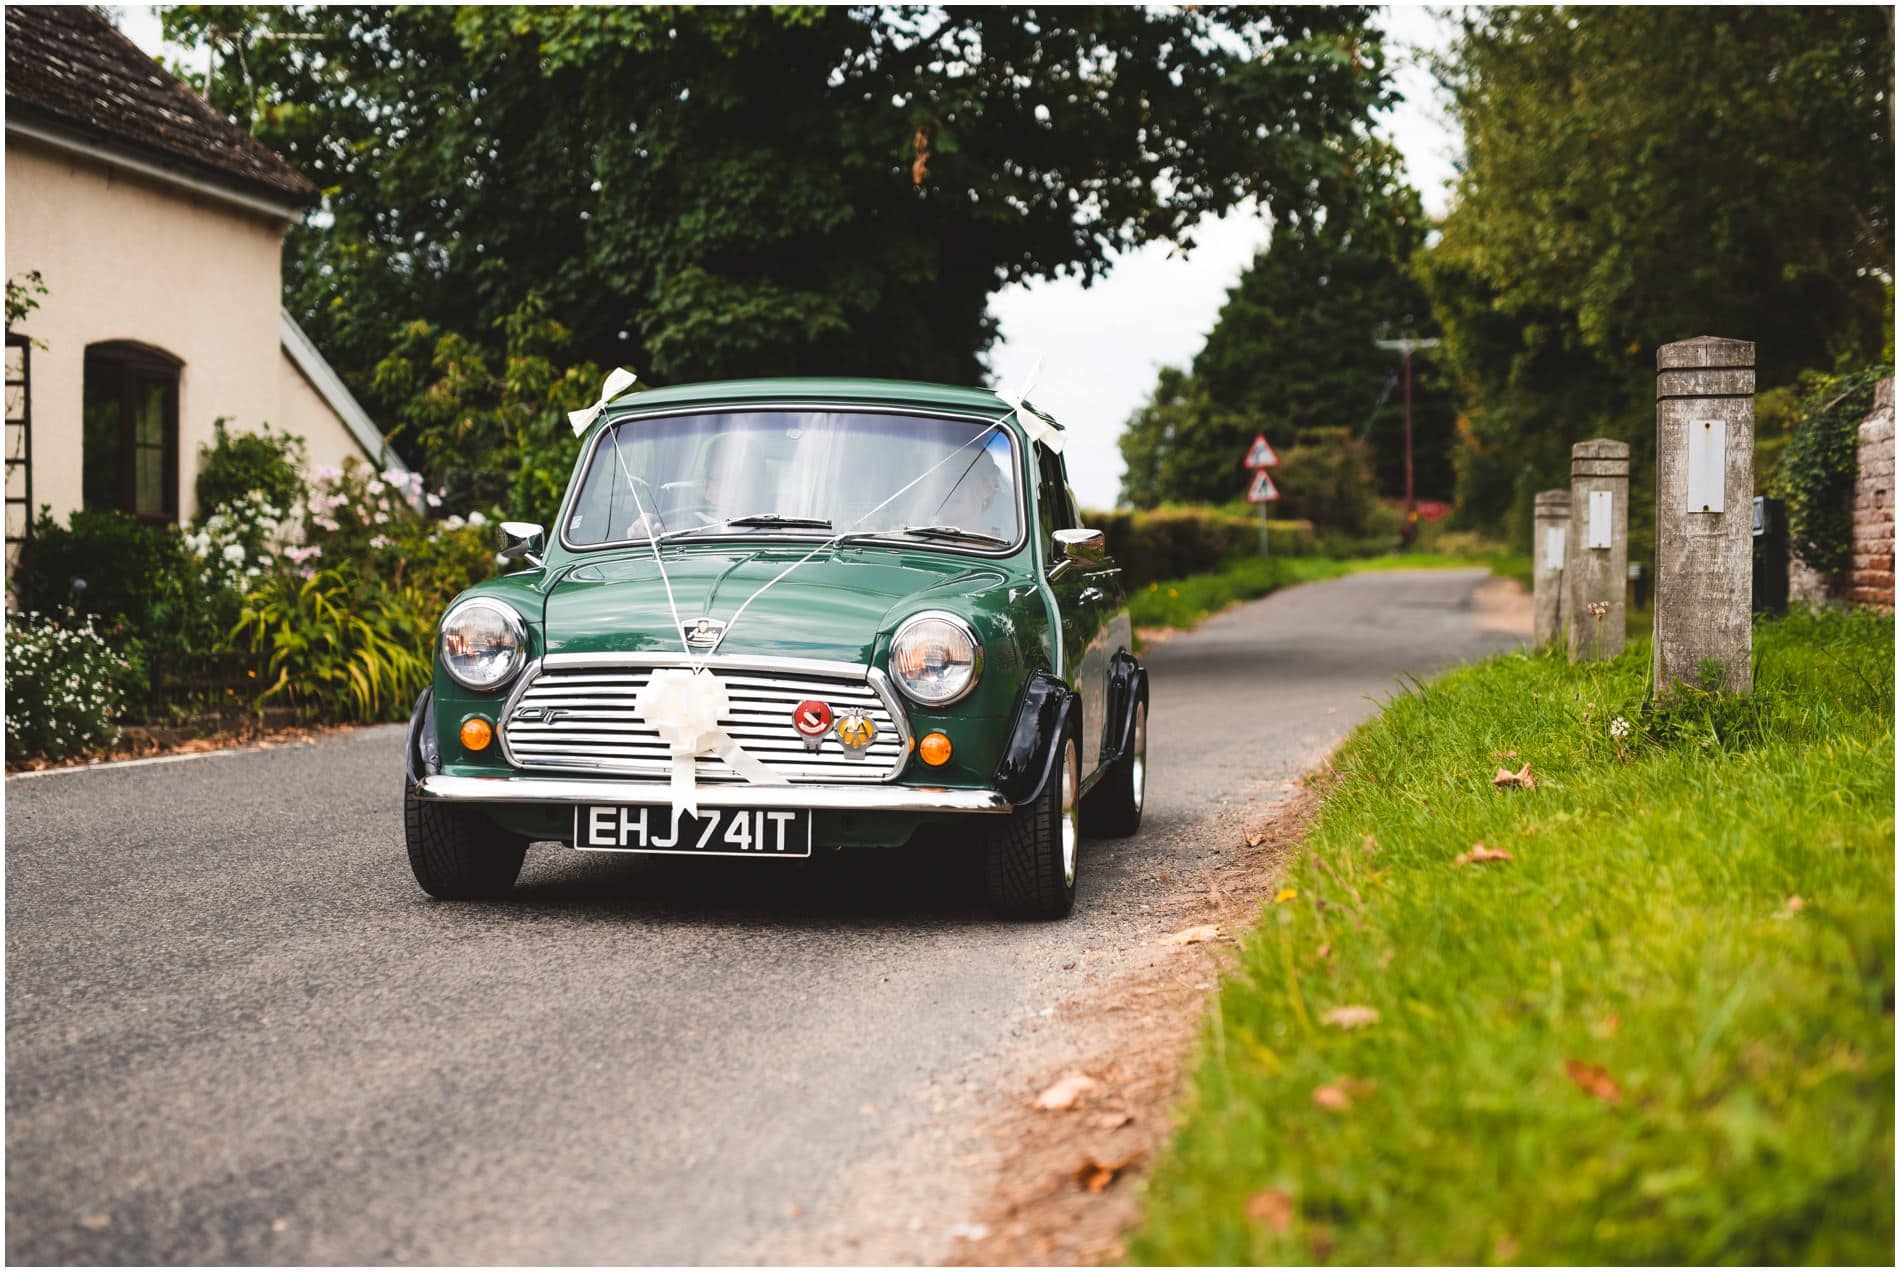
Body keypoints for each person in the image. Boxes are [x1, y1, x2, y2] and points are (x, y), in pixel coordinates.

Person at [934, 432, 1015, 540]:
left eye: (961, 478)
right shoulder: (911, 540)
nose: (950, 488)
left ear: (987, 487)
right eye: (944, 479)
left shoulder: (998, 553)